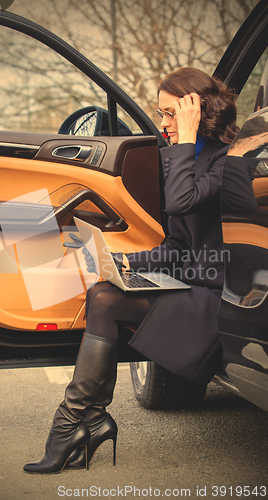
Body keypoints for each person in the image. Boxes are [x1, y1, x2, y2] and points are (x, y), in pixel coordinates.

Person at [23, 67, 239, 474]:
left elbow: (181, 203)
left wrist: (186, 139)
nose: (163, 124)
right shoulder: (185, 159)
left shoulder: (228, 163)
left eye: (172, 113)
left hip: (219, 299)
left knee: (105, 299)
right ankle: (81, 421)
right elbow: (176, 245)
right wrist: (122, 263)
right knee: (103, 289)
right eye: (161, 114)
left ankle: (77, 425)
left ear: (199, 110)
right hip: (190, 287)